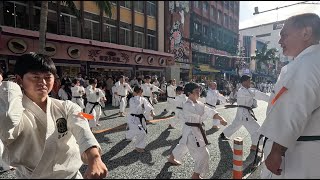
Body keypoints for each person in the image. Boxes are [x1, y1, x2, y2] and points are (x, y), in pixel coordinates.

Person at [0, 52, 107, 178]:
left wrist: (94, 157)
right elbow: (7, 124)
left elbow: (82, 130)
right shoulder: (14, 109)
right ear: (19, 79)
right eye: (35, 77)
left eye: (47, 77)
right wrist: (10, 87)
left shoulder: (66, 106)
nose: (43, 82)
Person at [257, 13, 320, 179]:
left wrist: (277, 151)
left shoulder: (306, 64)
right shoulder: (313, 61)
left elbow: (294, 108)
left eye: (284, 35)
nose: (279, 42)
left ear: (306, 33)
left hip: (297, 155)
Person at [167, 82, 228, 179]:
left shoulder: (199, 103)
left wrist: (221, 118)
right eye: (196, 91)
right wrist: (210, 113)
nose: (199, 93)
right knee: (204, 154)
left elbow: (210, 111)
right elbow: (203, 112)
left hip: (194, 130)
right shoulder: (186, 104)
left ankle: (172, 158)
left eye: (199, 91)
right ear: (189, 93)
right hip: (191, 132)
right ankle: (196, 175)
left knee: (183, 145)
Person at [219, 75, 270, 152]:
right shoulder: (248, 91)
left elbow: (233, 97)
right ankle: (254, 146)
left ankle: (223, 134)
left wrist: (233, 100)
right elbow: (261, 95)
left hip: (240, 112)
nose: (250, 82)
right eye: (249, 81)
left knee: (235, 125)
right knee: (257, 130)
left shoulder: (240, 90)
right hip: (245, 114)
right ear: (244, 82)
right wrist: (272, 99)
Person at [125, 86, 155, 153]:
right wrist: (142, 106)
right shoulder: (132, 99)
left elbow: (148, 106)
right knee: (142, 132)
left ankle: (128, 135)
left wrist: (152, 112)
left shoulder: (143, 99)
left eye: (141, 92)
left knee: (135, 130)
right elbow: (134, 109)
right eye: (139, 92)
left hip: (140, 118)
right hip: (133, 119)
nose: (141, 93)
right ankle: (138, 146)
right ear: (135, 92)